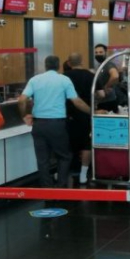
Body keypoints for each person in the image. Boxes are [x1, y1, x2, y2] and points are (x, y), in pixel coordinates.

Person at [19, 56, 91, 188]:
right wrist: (92, 112)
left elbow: (22, 100)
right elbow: (77, 101)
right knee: (64, 156)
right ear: (58, 66)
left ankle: (46, 189)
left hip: (38, 125)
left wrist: (24, 115)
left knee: (42, 160)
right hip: (57, 125)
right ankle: (60, 187)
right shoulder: (64, 80)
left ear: (45, 65)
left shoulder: (34, 80)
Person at [64, 53, 95, 184]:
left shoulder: (64, 77)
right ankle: (83, 174)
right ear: (82, 61)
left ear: (69, 63)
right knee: (86, 144)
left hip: (68, 114)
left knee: (68, 144)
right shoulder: (91, 75)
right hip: (87, 114)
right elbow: (100, 93)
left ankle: (68, 172)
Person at [93, 44, 119, 113]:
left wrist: (106, 86)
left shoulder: (108, 64)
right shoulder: (100, 66)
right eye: (96, 52)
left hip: (109, 101)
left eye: (101, 52)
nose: (98, 54)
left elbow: (115, 76)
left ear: (105, 53)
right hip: (101, 101)